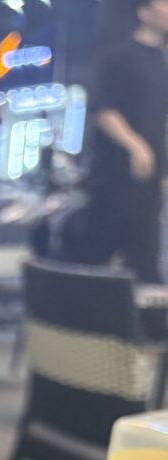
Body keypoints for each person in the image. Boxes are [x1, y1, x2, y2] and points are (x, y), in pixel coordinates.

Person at [81, 0, 168, 282]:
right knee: (95, 262)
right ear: (144, 13)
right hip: (113, 180)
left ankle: (146, 326)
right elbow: (103, 109)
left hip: (149, 187)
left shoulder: (163, 62)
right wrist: (135, 145)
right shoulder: (120, 56)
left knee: (147, 269)